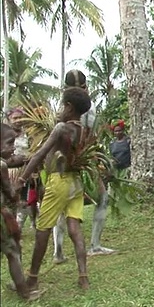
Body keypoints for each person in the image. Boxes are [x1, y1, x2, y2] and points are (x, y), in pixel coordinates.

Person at [18, 87, 92, 290]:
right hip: (76, 183)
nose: (59, 109)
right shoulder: (83, 129)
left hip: (59, 182)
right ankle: (83, 277)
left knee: (43, 230)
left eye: (62, 105)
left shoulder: (61, 128)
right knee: (75, 229)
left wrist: (22, 178)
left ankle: (32, 279)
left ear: (69, 107)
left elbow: (40, 154)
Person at [52, 69, 116, 260]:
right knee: (103, 197)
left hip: (60, 162)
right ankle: (94, 245)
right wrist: (96, 159)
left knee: (61, 205)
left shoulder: (60, 108)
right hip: (83, 159)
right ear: (85, 87)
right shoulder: (88, 107)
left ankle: (58, 251)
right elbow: (89, 136)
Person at [1, 124, 43, 300]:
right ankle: (24, 292)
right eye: (9, 143)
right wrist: (17, 186)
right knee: (13, 253)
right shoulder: (1, 165)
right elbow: (9, 193)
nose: (13, 148)